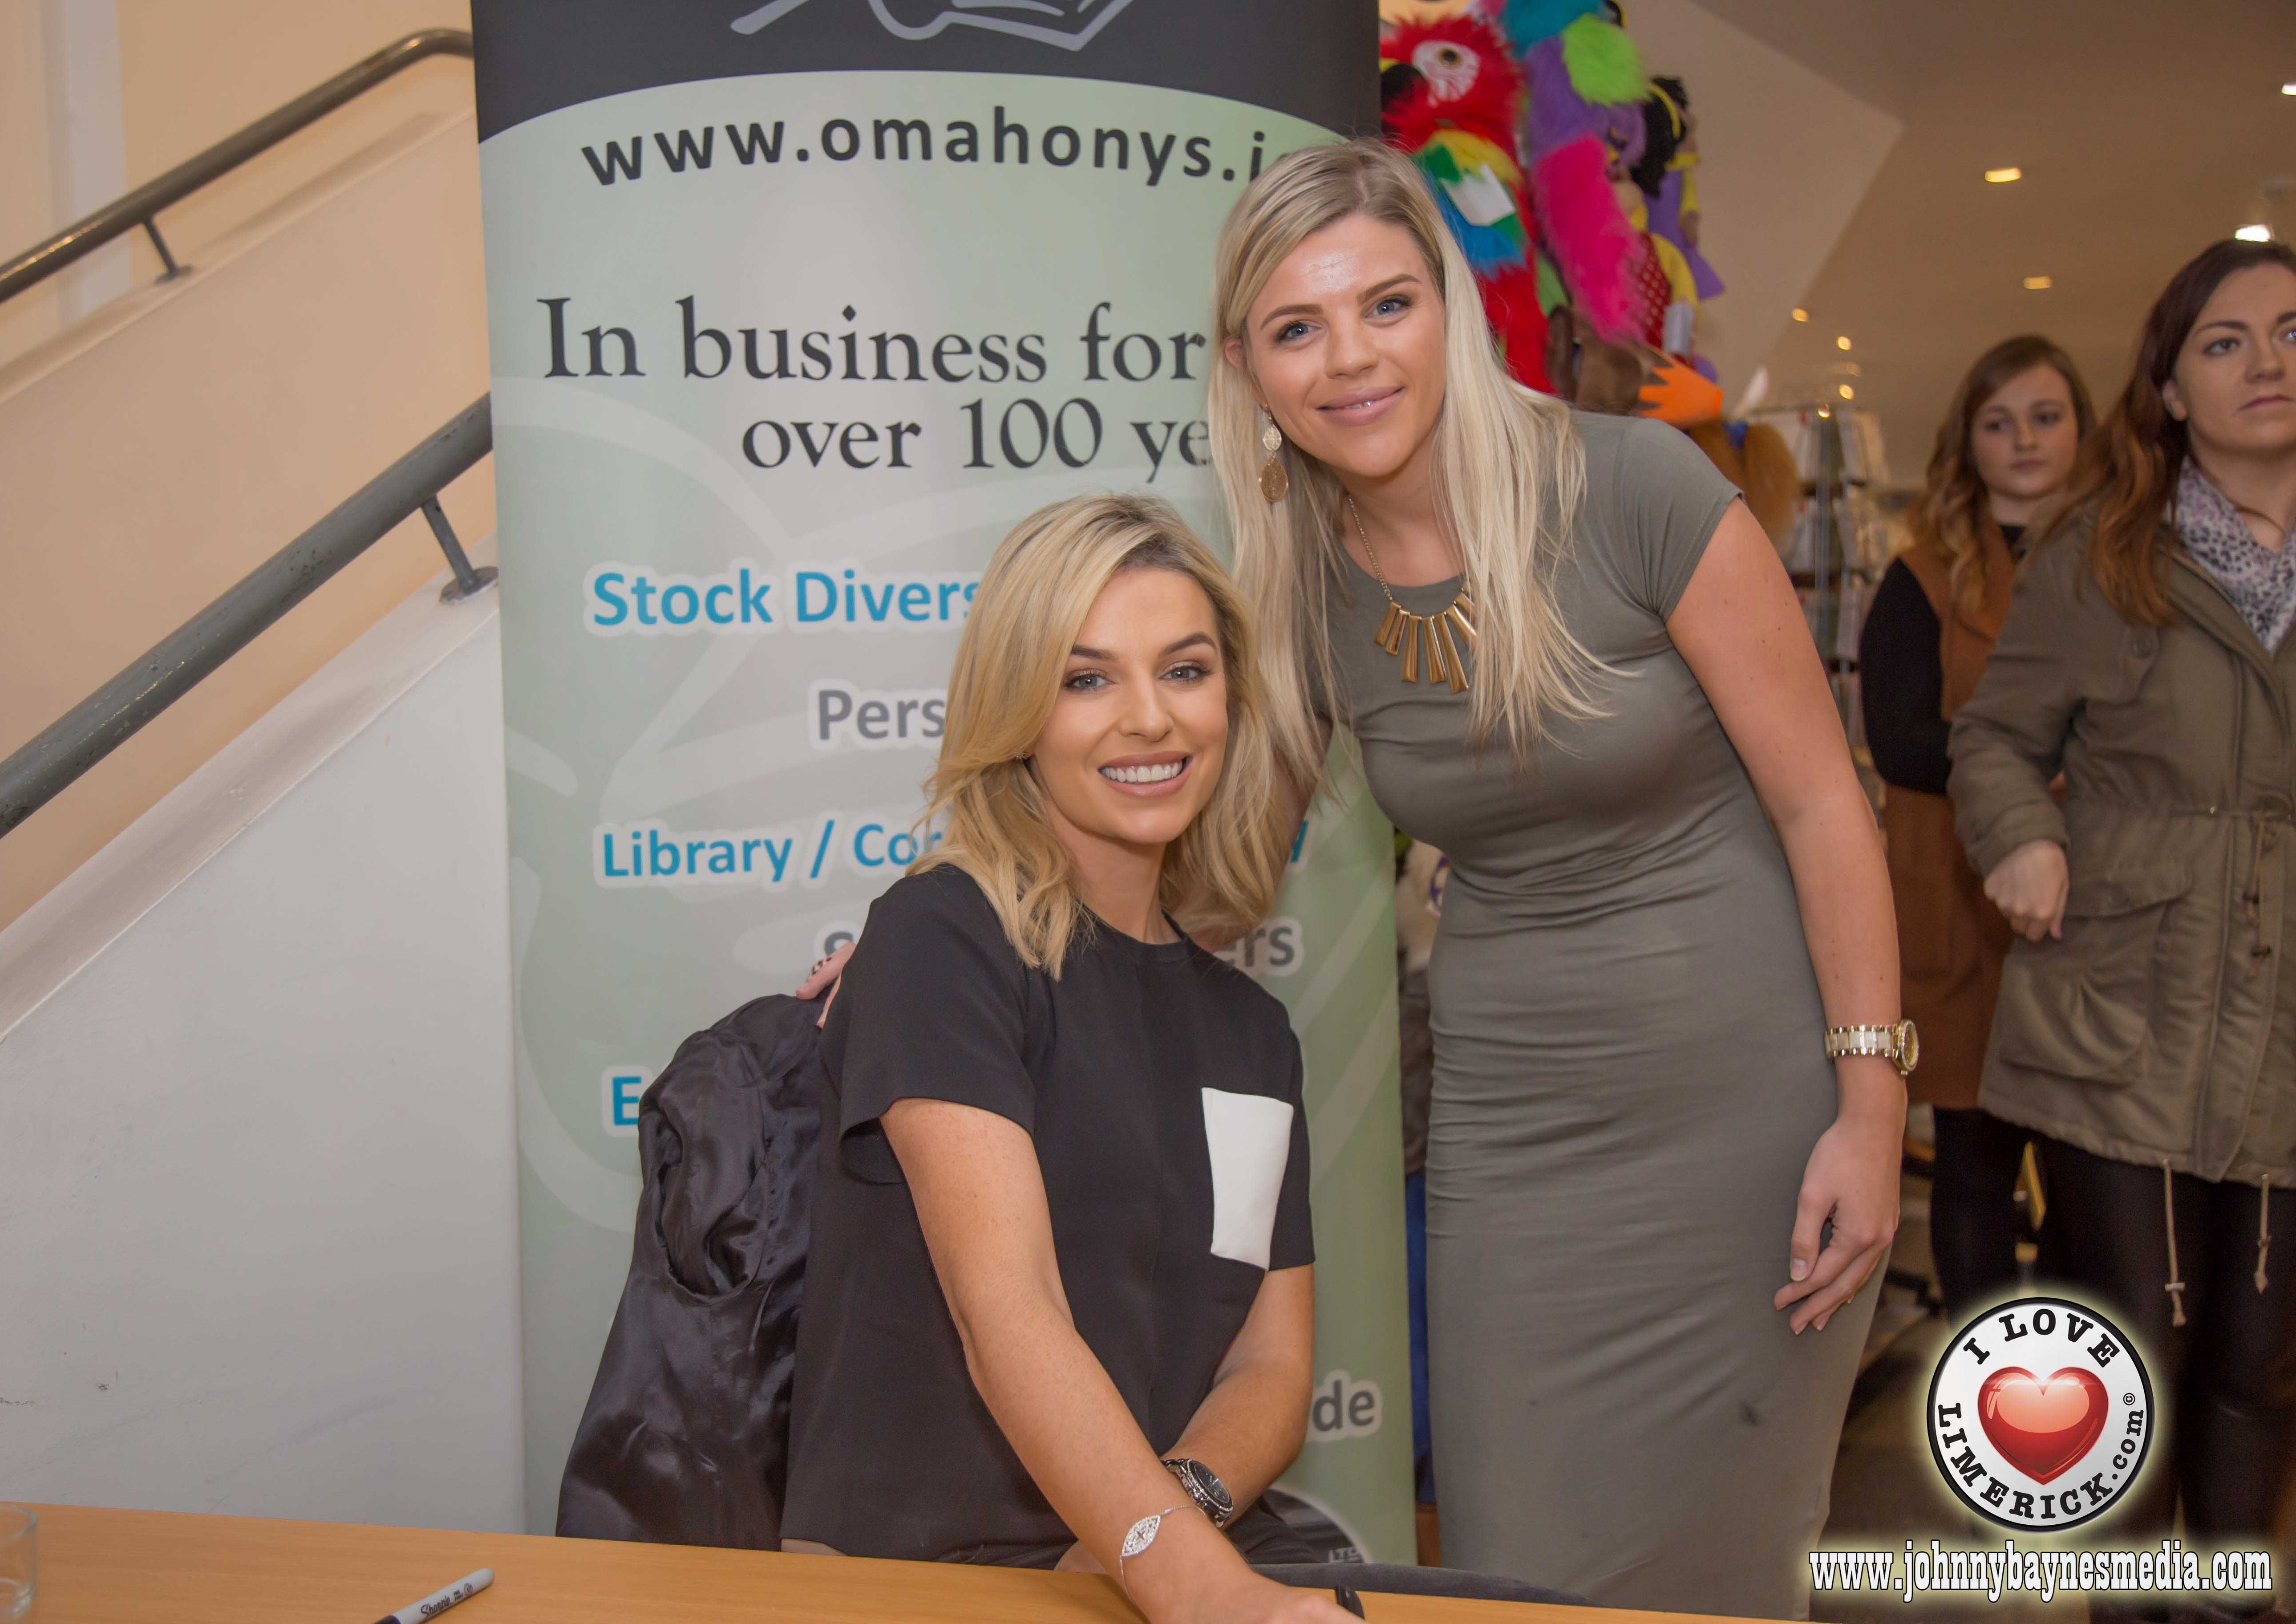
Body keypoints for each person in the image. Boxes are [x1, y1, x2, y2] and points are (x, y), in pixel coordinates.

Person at [1208, 139, 1906, 1617]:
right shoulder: (1301, 585)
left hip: (1751, 1115)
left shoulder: (1632, 485)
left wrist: (1871, 1105)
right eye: (1296, 327)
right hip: (1514, 1137)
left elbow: (1823, 803)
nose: (1351, 358)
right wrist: (970, 926)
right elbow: (1216, 868)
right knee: (1515, 1565)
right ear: (1247, 369)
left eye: (1385, 304)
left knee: (1731, 1566)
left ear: (1450, 308)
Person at [778, 494, 1354, 1624]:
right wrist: (1196, 1588)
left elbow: (1271, 1370)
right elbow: (1011, 1310)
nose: (1150, 718)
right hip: (940, 1574)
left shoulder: (1253, 1035)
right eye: (1087, 679)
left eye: (1185, 671)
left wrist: (1161, 1525)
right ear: (1018, 711)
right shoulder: (943, 939)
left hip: (1159, 1558)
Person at [1950, 239, 2296, 1621]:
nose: (2267, 361)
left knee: (2258, 1368)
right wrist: (2022, 836)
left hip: (2282, 1030)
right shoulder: (2102, 559)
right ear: (2167, 388)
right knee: (2141, 1365)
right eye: (2226, 341)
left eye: (2293, 332)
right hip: (2121, 1020)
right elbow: (1992, 740)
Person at [1859, 336, 2094, 1319]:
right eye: (1999, 423)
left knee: (2092, 1172)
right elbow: (1899, 741)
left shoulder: (2128, 568)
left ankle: (2087, 1372)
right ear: (1969, 443)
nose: (2025, 440)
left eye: (2045, 417)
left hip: (2095, 911)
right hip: (1961, 902)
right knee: (1974, 1160)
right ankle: (1990, 1372)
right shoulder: (1923, 578)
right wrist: (2049, 761)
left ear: (2083, 430)